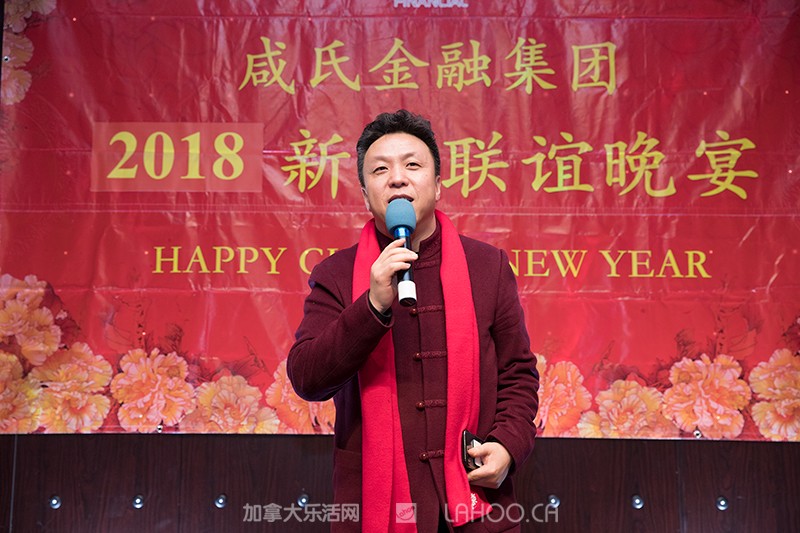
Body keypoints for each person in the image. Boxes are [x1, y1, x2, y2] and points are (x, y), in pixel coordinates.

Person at [287, 109, 539, 532]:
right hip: (377, 506)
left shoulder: (487, 266)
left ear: (437, 186)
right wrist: (372, 305)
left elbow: (518, 373)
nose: (398, 179)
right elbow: (308, 378)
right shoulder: (336, 274)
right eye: (380, 170)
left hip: (475, 500)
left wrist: (507, 447)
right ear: (365, 195)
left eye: (412, 165)